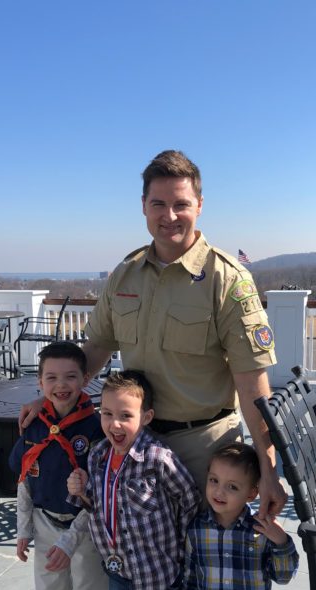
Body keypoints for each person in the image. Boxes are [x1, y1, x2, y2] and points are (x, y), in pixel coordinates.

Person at [20, 150, 285, 515]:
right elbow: (93, 350)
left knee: (203, 563)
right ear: (143, 205)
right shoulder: (125, 275)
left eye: (181, 204)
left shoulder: (227, 280)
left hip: (202, 453)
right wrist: (52, 400)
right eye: (158, 203)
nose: (169, 215)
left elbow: (253, 384)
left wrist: (268, 468)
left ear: (200, 205)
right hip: (133, 444)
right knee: (139, 561)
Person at [67, 370, 201, 590]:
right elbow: (98, 507)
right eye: (107, 413)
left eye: (126, 415)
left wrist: (179, 551)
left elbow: (189, 500)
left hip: (160, 578)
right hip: (119, 575)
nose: (114, 424)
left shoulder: (158, 459)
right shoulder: (98, 455)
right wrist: (79, 491)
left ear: (147, 416)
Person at [8, 341, 115, 590]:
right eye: (51, 377)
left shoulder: (97, 429)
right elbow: (24, 481)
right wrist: (24, 529)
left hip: (86, 532)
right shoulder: (34, 425)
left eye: (70, 376)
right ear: (39, 382)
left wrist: (71, 541)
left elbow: (99, 498)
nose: (61, 385)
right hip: (45, 526)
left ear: (86, 378)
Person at [183, 443, 299, 590]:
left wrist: (282, 542)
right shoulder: (197, 529)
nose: (219, 492)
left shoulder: (260, 531)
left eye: (232, 486)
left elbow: (285, 576)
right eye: (213, 480)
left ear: (251, 493)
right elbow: (191, 579)